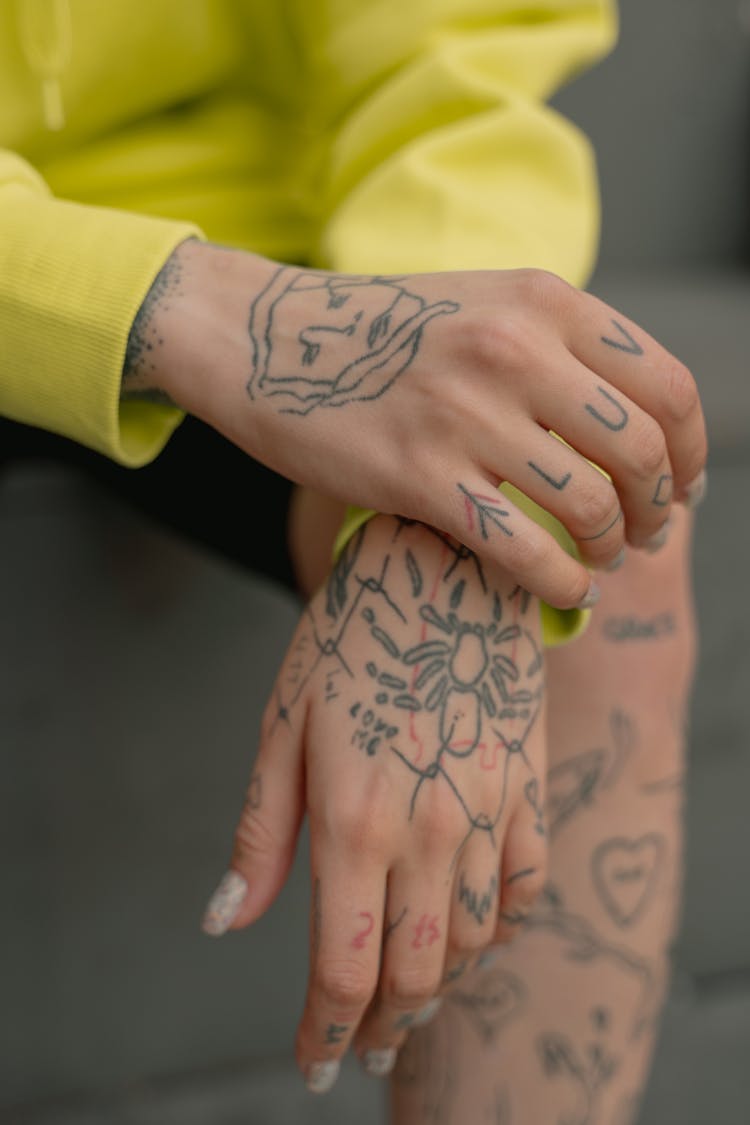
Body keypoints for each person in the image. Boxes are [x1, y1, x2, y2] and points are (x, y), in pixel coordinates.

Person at [1, 1, 706, 1120]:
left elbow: (451, 67)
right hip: (121, 274)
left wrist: (443, 489)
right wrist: (186, 310)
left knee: (592, 546)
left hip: (217, 209)